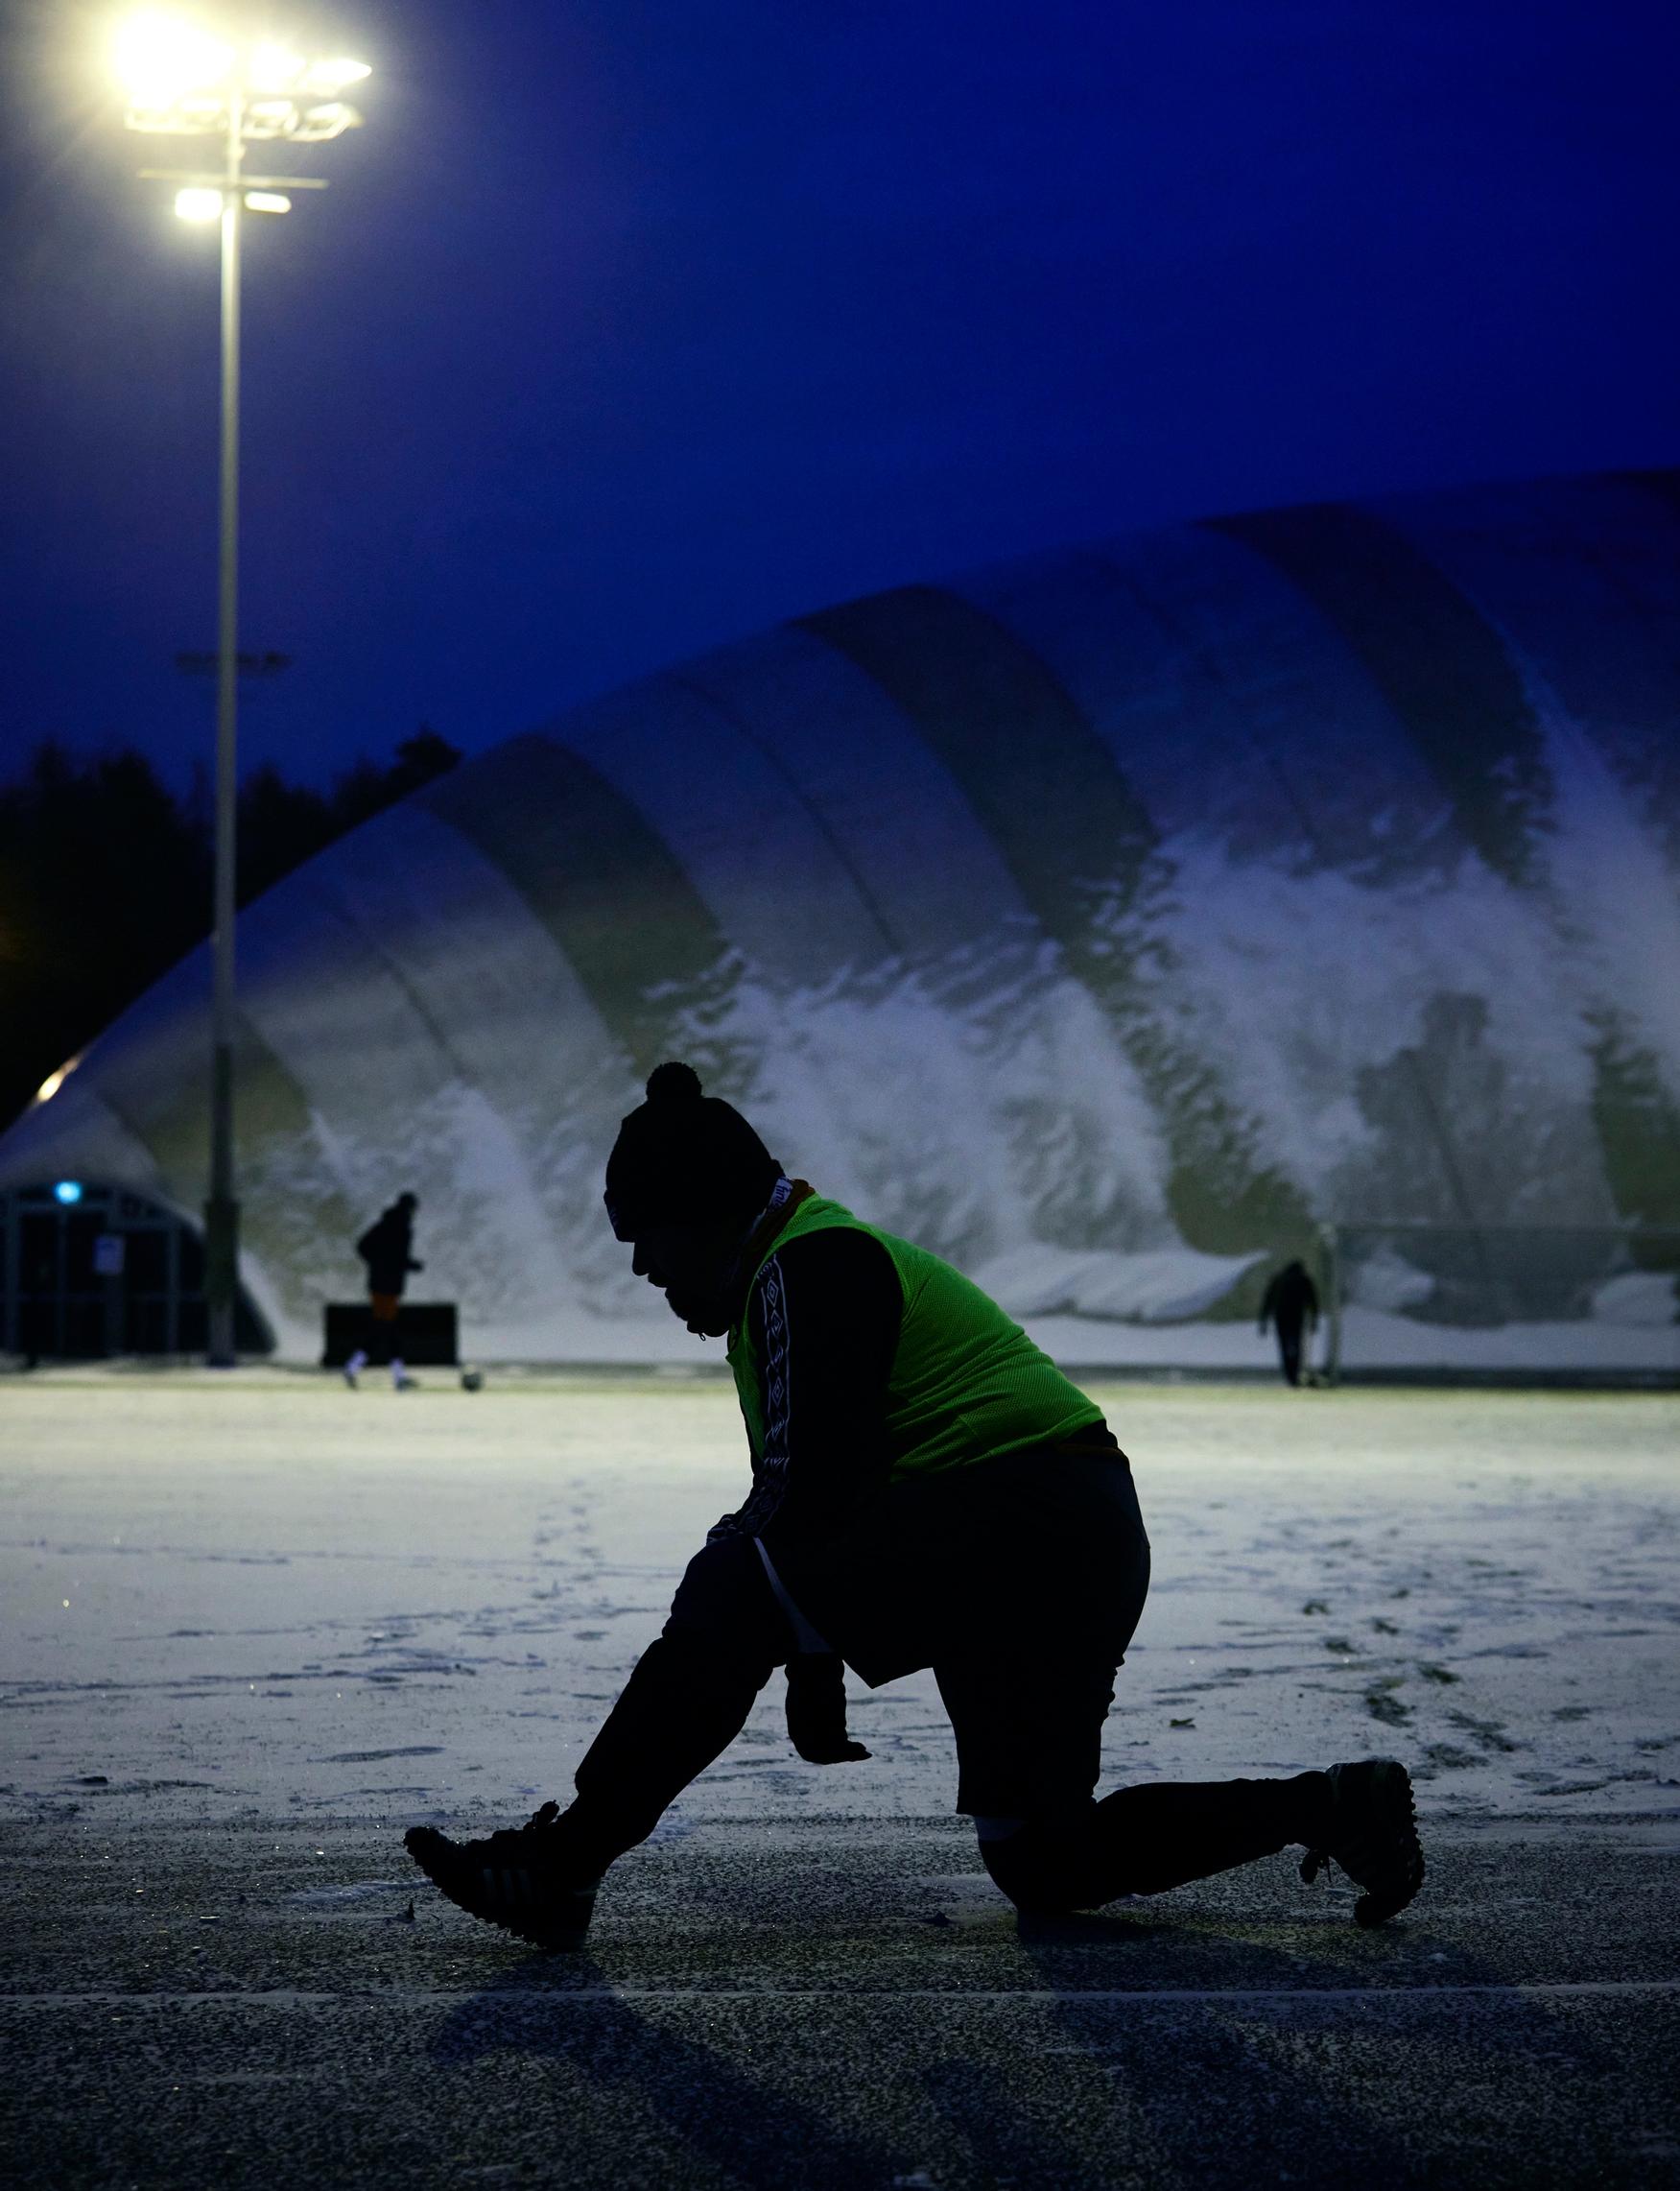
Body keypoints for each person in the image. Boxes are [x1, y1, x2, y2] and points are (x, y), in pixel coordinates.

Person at [406, 1065, 1422, 1949]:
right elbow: (810, 1507)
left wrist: (799, 1648)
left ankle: (563, 1866)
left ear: (706, 1212)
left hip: (1026, 1514)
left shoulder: (810, 1267)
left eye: (644, 1237)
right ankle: (1332, 1804)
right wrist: (807, 1658)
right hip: (1066, 1532)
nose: (640, 1267)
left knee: (725, 1581)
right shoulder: (787, 1274)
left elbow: (804, 1508)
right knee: (1044, 1861)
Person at [344, 1192, 423, 1391]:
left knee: (384, 1328)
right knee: (385, 1328)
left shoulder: (384, 1225)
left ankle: (360, 1368)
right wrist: (405, 1265)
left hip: (381, 1284)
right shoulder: (401, 1228)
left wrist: (378, 1264)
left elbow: (364, 1247)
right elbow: (396, 1257)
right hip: (388, 1286)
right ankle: (359, 1368)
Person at [1259, 1257, 1320, 1387]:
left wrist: (1263, 1321)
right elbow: (1312, 1301)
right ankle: (1295, 1374)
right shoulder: (1303, 1279)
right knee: (1297, 1345)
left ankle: (1289, 1375)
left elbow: (1268, 1300)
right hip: (1296, 1317)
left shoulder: (1279, 1279)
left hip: (1281, 1317)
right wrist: (1314, 1320)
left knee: (1284, 1346)